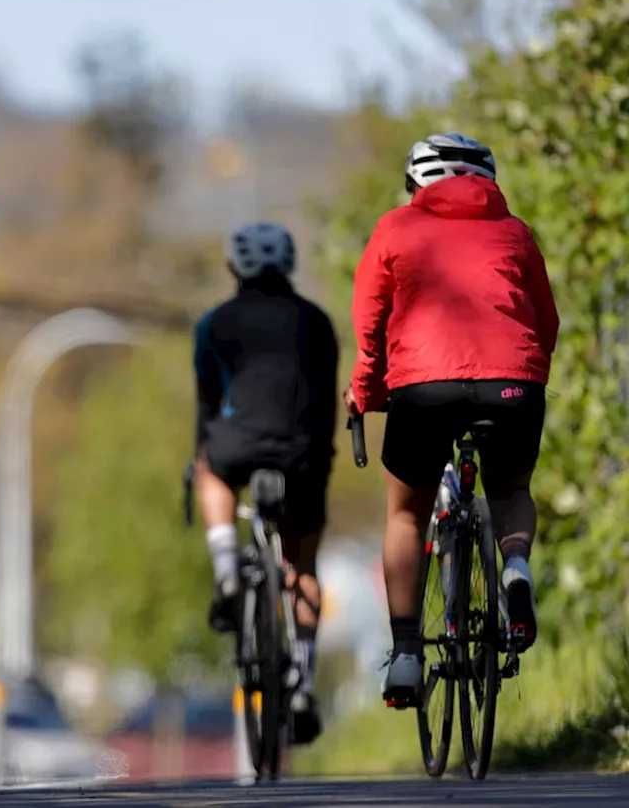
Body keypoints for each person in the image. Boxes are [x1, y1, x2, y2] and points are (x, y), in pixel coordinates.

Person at [347, 132, 560, 709]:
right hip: (513, 383)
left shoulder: (396, 228)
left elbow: (370, 324)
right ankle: (514, 568)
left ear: (415, 184)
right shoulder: (514, 231)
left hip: (424, 386)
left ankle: (409, 654)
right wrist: (523, 378)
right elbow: (545, 320)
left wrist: (365, 392)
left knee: (407, 513)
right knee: (511, 489)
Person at [192, 222, 340, 744]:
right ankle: (303, 678)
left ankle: (227, 564)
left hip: (235, 444)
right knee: (303, 565)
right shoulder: (317, 322)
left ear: (235, 267)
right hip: (302, 452)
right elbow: (324, 401)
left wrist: (198, 460)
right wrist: (321, 460)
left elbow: (207, 406)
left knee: (210, 470)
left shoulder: (214, 324)